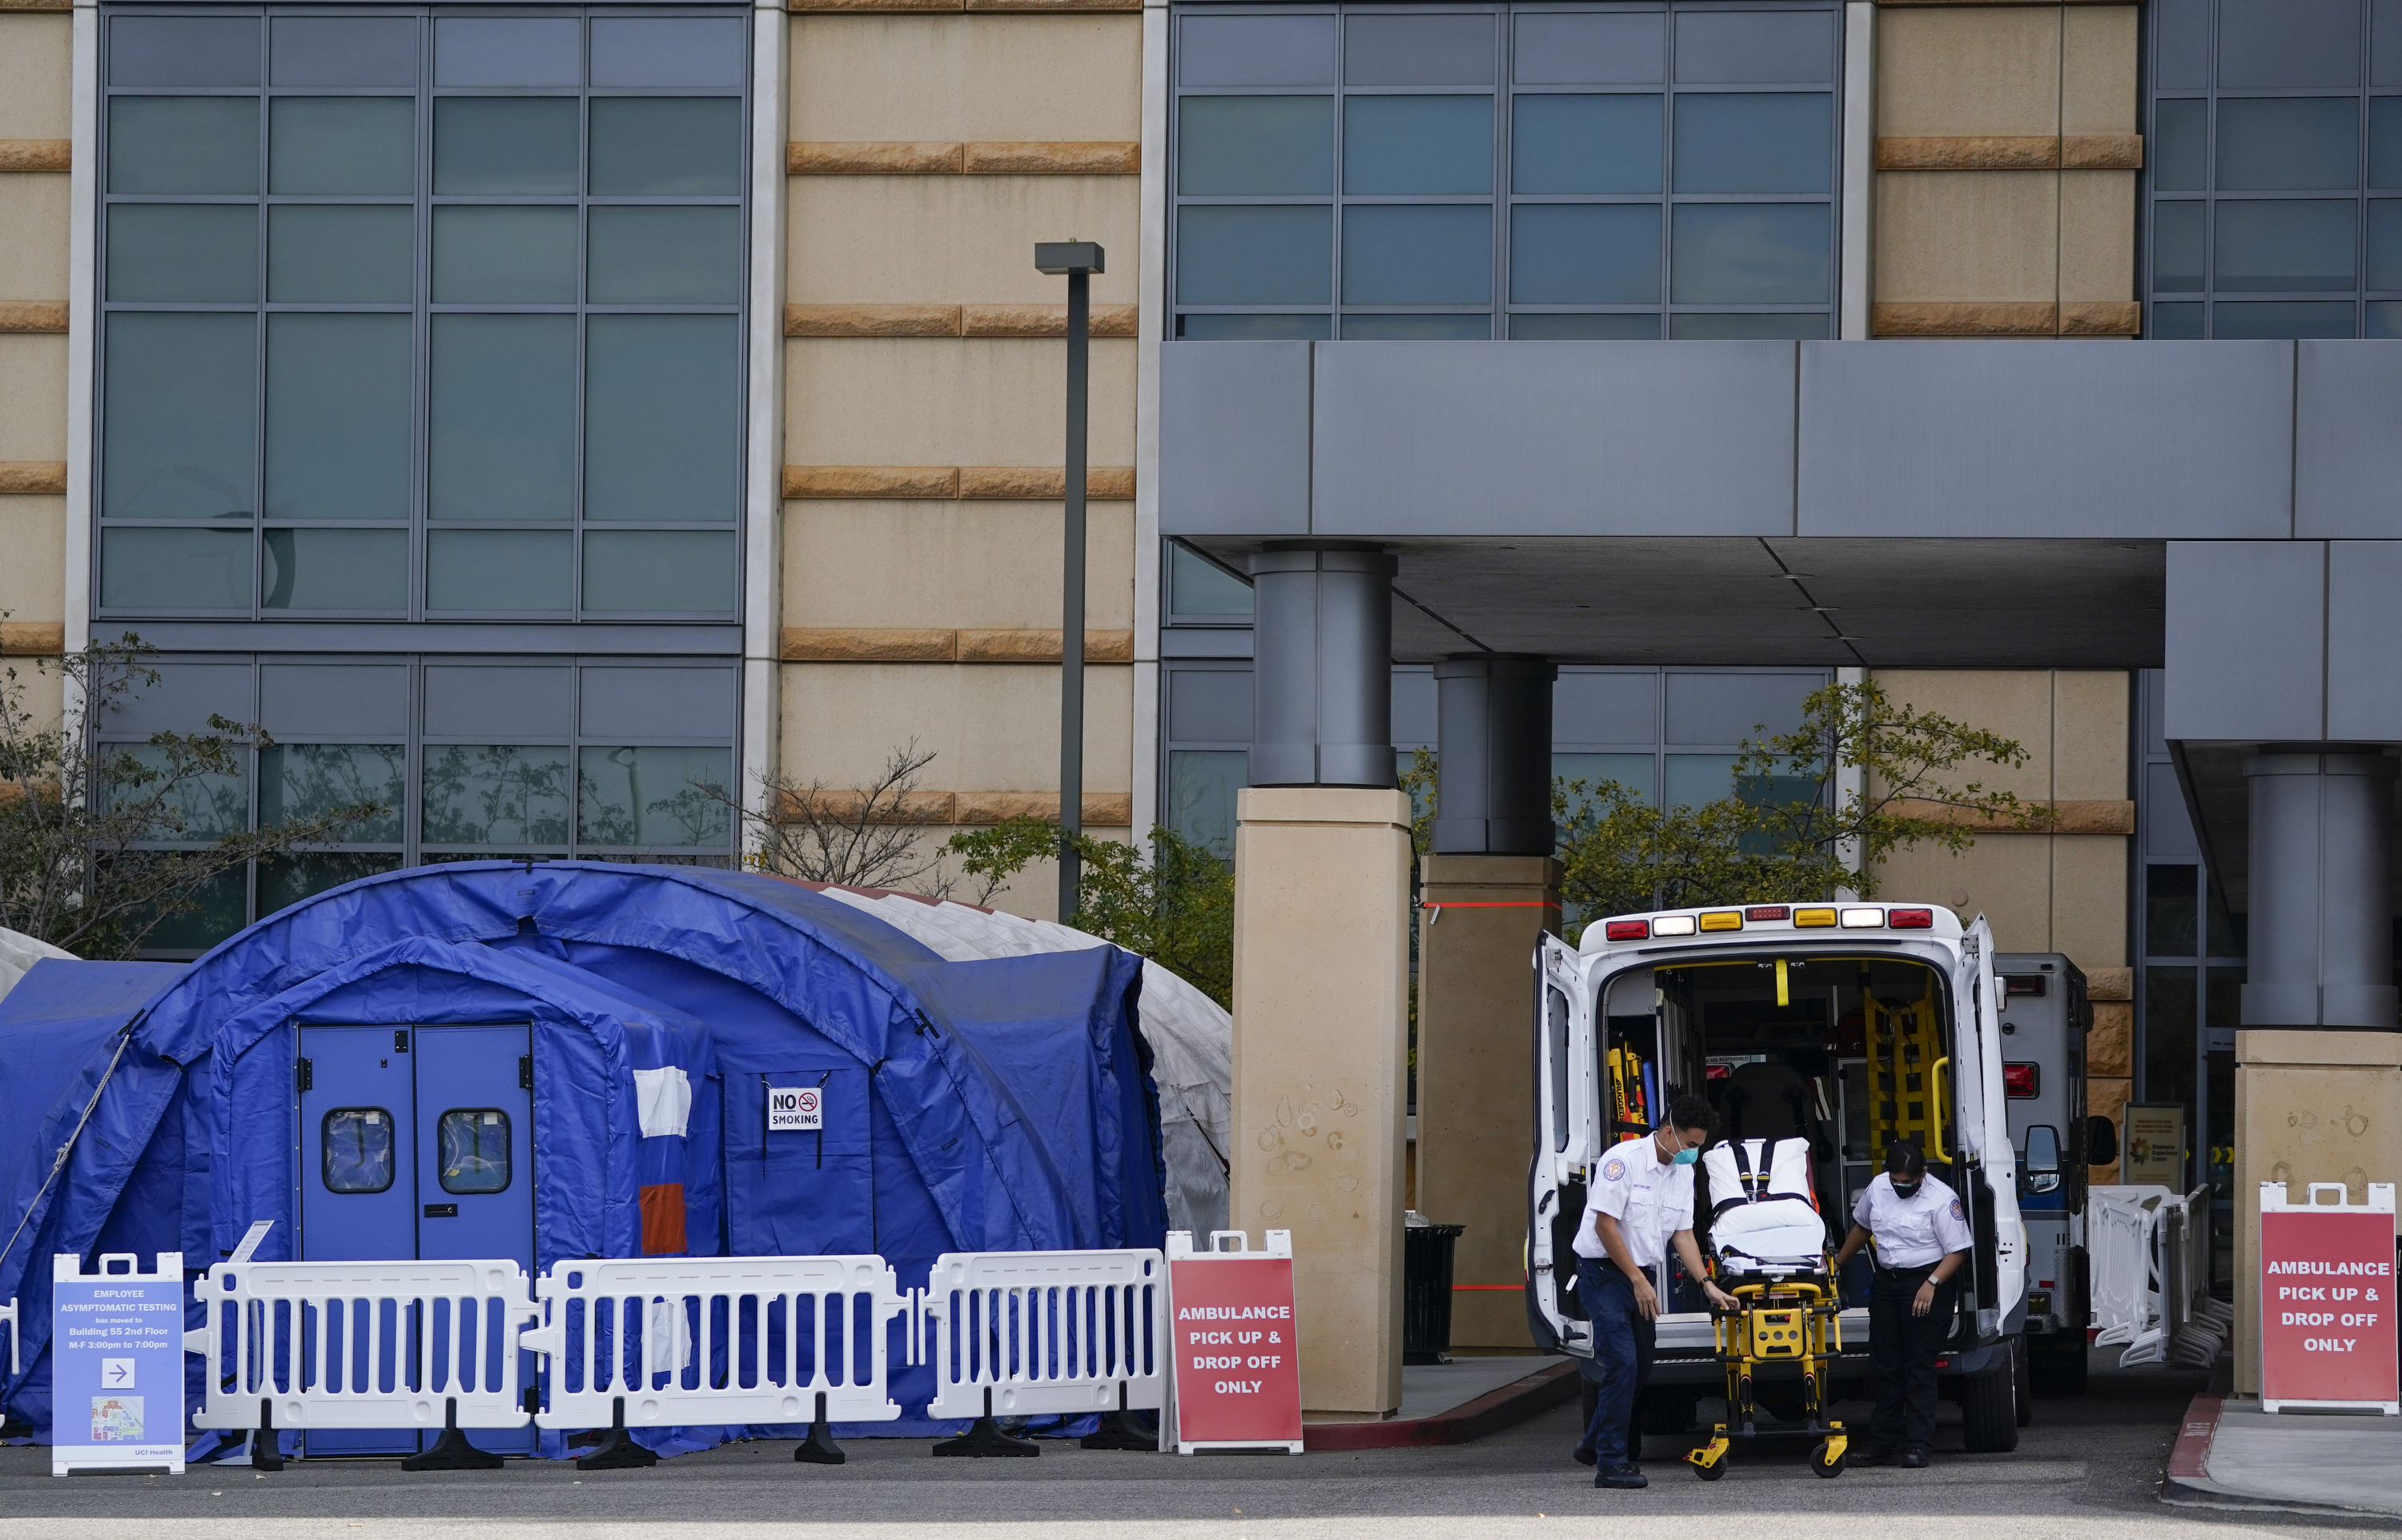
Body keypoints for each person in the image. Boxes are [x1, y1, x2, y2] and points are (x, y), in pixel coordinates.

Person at [1573, 1093, 1736, 1489]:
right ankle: (1611, 1464)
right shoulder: (1622, 1162)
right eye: (1692, 1145)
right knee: (1622, 1363)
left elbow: (1682, 1233)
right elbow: (1604, 1226)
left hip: (1638, 1274)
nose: (1694, 1154)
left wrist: (1708, 1285)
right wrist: (1637, 1279)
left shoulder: (1681, 1173)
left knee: (1642, 1365)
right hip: (1603, 1273)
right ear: (1668, 1133)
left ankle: (1593, 1443)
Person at [1830, 1139, 1972, 1469]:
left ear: (1923, 1172)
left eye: (1908, 1181)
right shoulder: (1879, 1188)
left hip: (1927, 1281)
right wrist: (1836, 1265)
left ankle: (1918, 1445)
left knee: (1918, 1365)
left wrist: (1932, 1284)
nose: (1902, 1187)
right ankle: (1882, 1444)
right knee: (1885, 1364)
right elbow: (1862, 1228)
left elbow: (1958, 1250)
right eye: (1897, 1180)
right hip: (1888, 1282)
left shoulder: (1941, 1199)